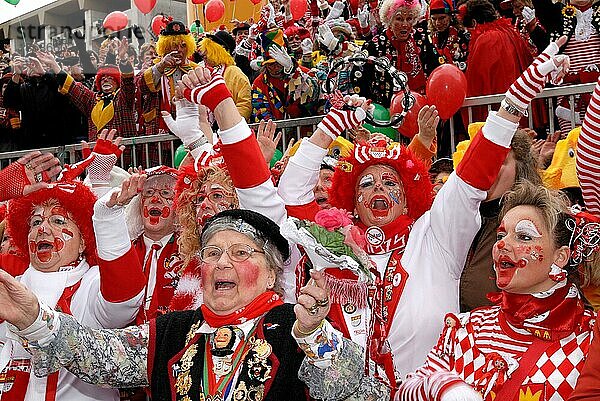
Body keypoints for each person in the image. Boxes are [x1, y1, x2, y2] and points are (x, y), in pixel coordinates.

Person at [276, 35, 569, 396]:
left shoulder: (434, 236)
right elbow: (291, 193)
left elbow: (472, 176)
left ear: (408, 196)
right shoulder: (333, 246)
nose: (378, 189)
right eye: (365, 184)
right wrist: (327, 128)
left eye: (390, 181)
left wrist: (516, 99)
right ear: (350, 201)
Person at [0, 209, 387, 401]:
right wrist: (33, 318)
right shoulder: (171, 330)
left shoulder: (297, 325)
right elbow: (97, 354)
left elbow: (365, 394)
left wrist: (315, 337)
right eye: (213, 252)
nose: (222, 263)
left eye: (240, 253)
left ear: (271, 276)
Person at [398, 181, 595, 401]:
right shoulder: (466, 329)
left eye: (524, 236)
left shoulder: (590, 338)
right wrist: (443, 386)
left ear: (560, 257)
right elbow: (404, 392)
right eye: (501, 236)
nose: (502, 245)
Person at [0, 170, 146, 401]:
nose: (42, 229)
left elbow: (125, 300)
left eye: (58, 221)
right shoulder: (10, 286)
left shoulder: (91, 285)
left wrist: (107, 219)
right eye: (36, 221)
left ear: (83, 242)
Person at [38, 38, 137, 141]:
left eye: (110, 78)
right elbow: (73, 87)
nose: (106, 80)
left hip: (122, 153)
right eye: (102, 78)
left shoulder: (123, 99)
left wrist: (123, 60)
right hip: (96, 153)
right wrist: (54, 65)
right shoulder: (93, 100)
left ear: (117, 82)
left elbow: (128, 83)